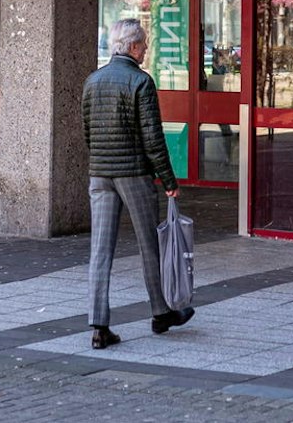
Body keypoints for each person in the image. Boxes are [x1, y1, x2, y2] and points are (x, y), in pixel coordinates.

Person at [81, 18, 193, 350]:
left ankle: (99, 326)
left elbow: (88, 132)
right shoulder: (141, 81)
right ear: (132, 47)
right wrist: (169, 179)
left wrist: (102, 162)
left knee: (100, 250)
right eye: (143, 44)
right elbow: (153, 138)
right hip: (134, 174)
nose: (146, 49)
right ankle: (161, 312)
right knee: (149, 244)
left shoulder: (92, 81)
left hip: (100, 175)